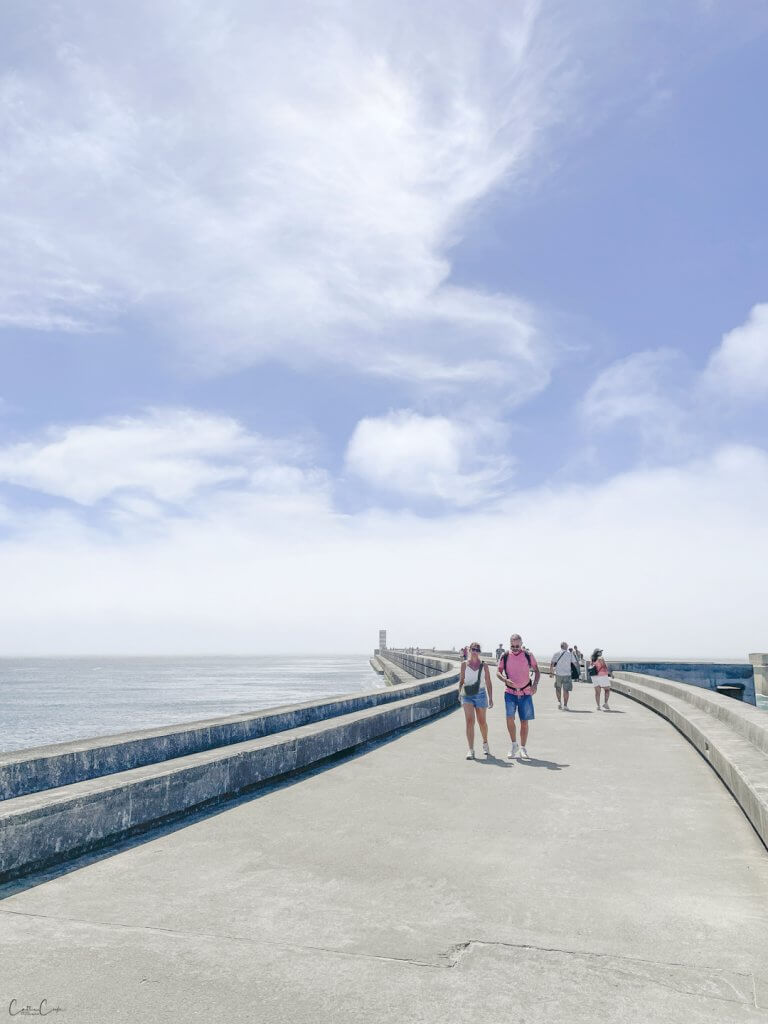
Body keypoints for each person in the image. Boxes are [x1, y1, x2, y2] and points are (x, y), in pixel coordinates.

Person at [497, 633, 540, 759]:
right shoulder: (505, 656)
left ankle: (523, 748)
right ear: (510, 644)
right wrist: (505, 680)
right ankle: (514, 744)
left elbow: (537, 671)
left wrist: (535, 685)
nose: (515, 648)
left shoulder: (528, 655)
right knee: (509, 718)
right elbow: (498, 672)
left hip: (525, 692)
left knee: (524, 721)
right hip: (510, 692)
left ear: (521, 644)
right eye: (513, 646)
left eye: (517, 646)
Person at [458, 642, 493, 759]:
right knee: (469, 721)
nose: (475, 652)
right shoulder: (464, 664)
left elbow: (488, 681)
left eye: (477, 650)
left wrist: (491, 697)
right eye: (473, 649)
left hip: (481, 694)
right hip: (467, 694)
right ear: (469, 650)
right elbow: (461, 680)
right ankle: (471, 749)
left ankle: (485, 743)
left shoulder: (484, 665)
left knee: (482, 722)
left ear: (479, 652)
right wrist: (459, 694)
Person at [550, 641, 578, 710]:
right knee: (566, 690)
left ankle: (559, 702)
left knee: (558, 688)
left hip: (558, 674)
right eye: (567, 645)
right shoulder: (570, 654)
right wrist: (576, 672)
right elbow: (575, 664)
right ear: (565, 646)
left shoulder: (556, 653)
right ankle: (565, 705)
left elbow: (552, 664)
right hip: (567, 674)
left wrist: (551, 673)